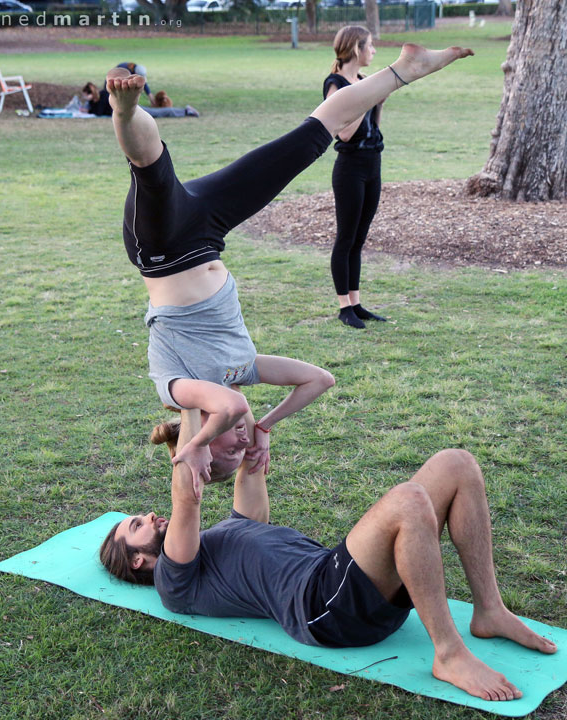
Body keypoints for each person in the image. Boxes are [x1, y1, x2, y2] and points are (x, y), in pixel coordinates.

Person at [106, 43, 474, 484]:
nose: (241, 445)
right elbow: (320, 380)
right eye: (241, 452)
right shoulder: (243, 369)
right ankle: (404, 69)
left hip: (163, 249)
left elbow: (232, 408)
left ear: (201, 438)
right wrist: (267, 426)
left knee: (150, 167)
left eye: (229, 451)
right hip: (206, 236)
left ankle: (123, 109)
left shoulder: (177, 392)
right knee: (310, 139)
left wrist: (197, 446)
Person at [100, 409, 558, 703]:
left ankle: (489, 610)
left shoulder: (227, 533)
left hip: (337, 578)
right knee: (408, 500)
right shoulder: (175, 582)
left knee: (456, 463)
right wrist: (188, 398)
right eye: (137, 525)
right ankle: (449, 653)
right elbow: (187, 502)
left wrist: (246, 426)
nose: (150, 515)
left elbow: (249, 461)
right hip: (322, 609)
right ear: (137, 560)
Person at [324, 26, 386, 329]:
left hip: (373, 164)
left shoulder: (362, 83)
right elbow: (345, 133)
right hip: (349, 169)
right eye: (370, 46)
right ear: (356, 49)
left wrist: (378, 103)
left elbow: (372, 129)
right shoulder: (336, 84)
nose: (373, 51)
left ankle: (356, 302)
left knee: (359, 239)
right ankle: (343, 307)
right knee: (345, 237)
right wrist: (364, 98)